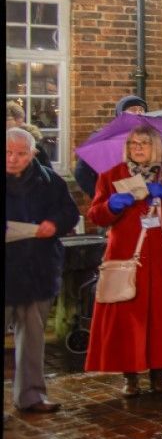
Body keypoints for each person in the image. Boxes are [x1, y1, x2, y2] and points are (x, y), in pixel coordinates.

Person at [85, 123, 162, 396]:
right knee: (127, 314)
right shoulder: (111, 175)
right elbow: (96, 215)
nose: (136, 148)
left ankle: (160, 373)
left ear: (156, 147)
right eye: (133, 144)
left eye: (143, 144)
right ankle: (130, 376)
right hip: (126, 255)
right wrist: (111, 205)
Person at [6, 127, 80, 414]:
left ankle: (31, 395)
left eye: (21, 154)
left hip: (38, 268)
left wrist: (54, 223)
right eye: (8, 152)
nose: (13, 158)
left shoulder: (50, 182)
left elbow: (69, 212)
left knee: (33, 337)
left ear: (33, 154)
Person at [75, 94, 148, 197]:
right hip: (113, 197)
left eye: (141, 109)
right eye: (132, 109)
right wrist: (99, 195)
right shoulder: (104, 137)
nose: (138, 113)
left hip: (141, 197)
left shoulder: (150, 139)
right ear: (121, 114)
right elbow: (81, 172)